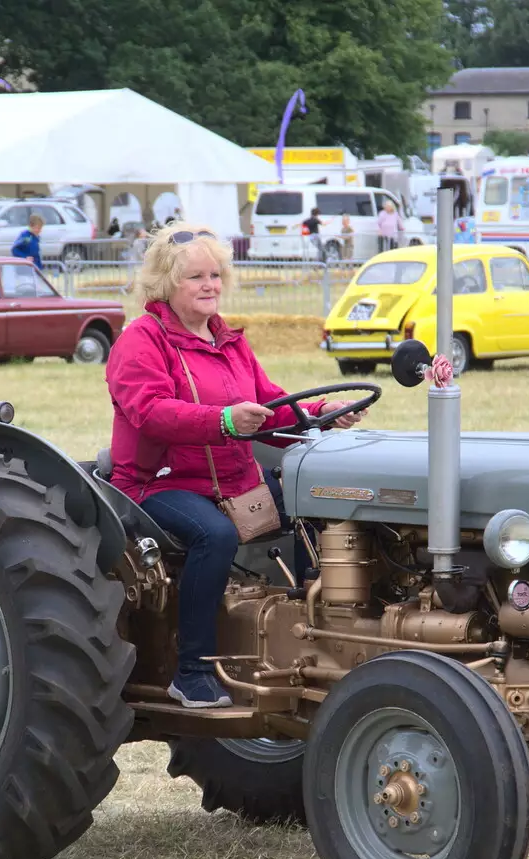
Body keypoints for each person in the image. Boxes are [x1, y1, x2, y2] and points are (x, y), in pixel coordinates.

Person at [105, 224, 367, 708]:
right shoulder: (141, 340)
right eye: (195, 277)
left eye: (215, 275)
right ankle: (192, 670)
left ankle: (318, 630)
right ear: (165, 284)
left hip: (233, 481)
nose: (209, 285)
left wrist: (323, 413)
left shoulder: (228, 339)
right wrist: (223, 420)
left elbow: (270, 403)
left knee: (321, 500)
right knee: (214, 535)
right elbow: (151, 411)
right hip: (157, 485)